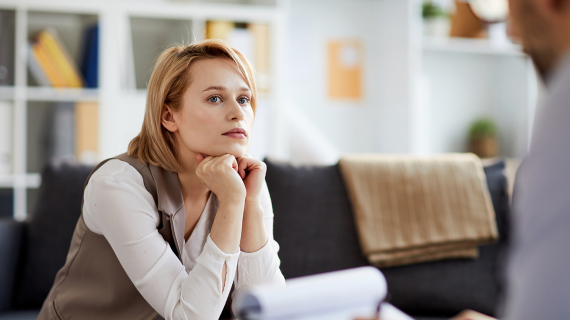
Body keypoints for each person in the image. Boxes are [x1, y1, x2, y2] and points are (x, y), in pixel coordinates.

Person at [37, 40, 285, 320]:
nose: (238, 113)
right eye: (214, 98)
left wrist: (249, 203)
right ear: (169, 116)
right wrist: (231, 203)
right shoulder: (117, 184)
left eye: (243, 99)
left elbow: (270, 309)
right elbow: (192, 316)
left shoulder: (246, 183)